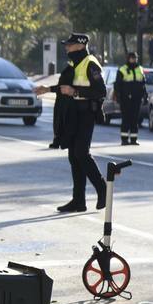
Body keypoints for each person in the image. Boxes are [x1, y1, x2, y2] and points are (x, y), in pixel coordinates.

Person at [35, 33, 106, 213]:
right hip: (73, 115)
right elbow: (67, 87)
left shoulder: (90, 63)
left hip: (86, 114)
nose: (66, 48)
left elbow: (100, 91)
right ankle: (78, 201)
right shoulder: (74, 64)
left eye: (70, 45)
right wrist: (48, 89)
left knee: (81, 153)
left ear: (80, 46)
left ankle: (102, 188)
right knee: (74, 156)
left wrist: (75, 92)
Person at [112, 51, 147, 146]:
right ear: (128, 59)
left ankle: (133, 139)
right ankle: (124, 139)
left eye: (135, 58)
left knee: (135, 119)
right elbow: (117, 85)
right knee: (126, 119)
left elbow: (143, 84)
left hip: (137, 98)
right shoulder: (122, 69)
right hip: (125, 99)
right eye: (132, 58)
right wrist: (118, 96)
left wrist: (145, 96)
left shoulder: (140, 69)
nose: (134, 60)